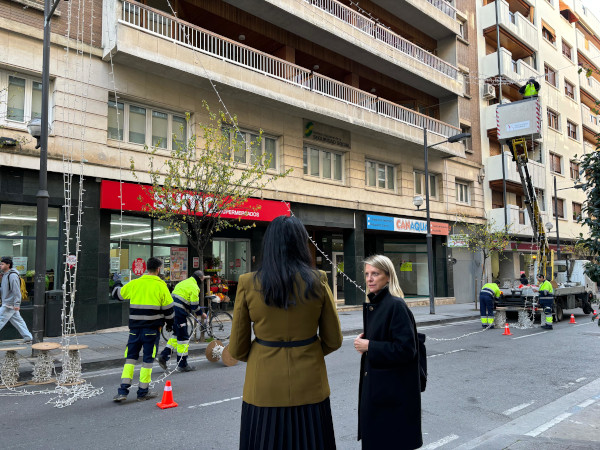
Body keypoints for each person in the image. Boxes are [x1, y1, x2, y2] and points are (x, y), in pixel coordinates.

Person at [229, 215, 343, 450]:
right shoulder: (318, 280)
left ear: (268, 244)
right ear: (302, 243)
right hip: (310, 384)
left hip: (263, 386)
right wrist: (309, 350)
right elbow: (334, 339)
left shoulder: (248, 282)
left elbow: (237, 348)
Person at [354, 255, 422, 450]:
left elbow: (406, 349)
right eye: (367, 274)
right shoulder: (378, 304)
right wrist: (370, 338)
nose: (369, 279)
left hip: (391, 394)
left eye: (375, 274)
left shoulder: (395, 305)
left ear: (388, 277)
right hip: (382, 391)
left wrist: (370, 346)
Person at [112, 257, 174, 402]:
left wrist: (117, 282)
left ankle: (122, 391)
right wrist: (170, 324)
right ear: (158, 269)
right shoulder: (161, 286)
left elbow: (118, 294)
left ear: (147, 268)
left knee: (130, 358)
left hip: (134, 329)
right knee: (147, 360)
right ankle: (142, 392)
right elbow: (169, 310)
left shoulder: (135, 283)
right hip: (152, 330)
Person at [157, 270, 208, 372]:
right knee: (183, 338)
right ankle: (182, 364)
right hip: (179, 313)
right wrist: (201, 314)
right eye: (203, 279)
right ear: (200, 279)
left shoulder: (184, 282)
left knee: (176, 335)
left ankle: (164, 356)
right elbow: (194, 306)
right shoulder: (194, 287)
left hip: (171, 311)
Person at [0, 257, 33, 344]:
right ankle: (28, 337)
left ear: (8, 265)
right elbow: (4, 289)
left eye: (2, 264)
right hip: (8, 303)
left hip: (9, 304)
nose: (0, 265)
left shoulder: (12, 276)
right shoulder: (5, 275)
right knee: (18, 322)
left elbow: (16, 291)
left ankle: (28, 337)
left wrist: (17, 304)